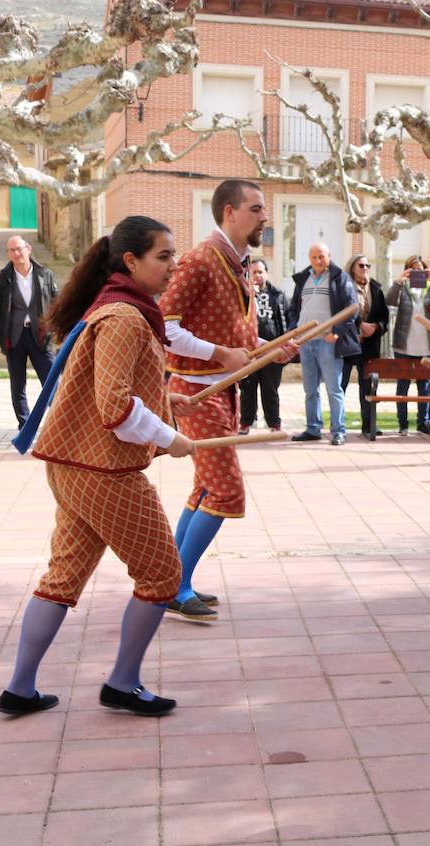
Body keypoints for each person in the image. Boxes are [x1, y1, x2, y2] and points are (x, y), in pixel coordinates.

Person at [0, 216, 195, 717]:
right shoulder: (125, 317)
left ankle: (19, 689)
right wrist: (169, 437)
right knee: (163, 575)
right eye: (164, 256)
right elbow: (116, 407)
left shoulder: (114, 308)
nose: (173, 265)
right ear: (131, 261)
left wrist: (166, 405)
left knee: (63, 577)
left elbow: (109, 390)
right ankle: (122, 684)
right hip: (103, 470)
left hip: (73, 465)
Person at [161, 179, 298, 622]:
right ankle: (174, 586)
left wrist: (270, 348)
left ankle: (172, 579)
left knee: (206, 487)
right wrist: (221, 354)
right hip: (195, 392)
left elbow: (237, 334)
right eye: (256, 209)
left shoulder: (240, 262)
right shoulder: (200, 260)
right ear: (229, 212)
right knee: (225, 491)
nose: (264, 217)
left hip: (222, 390)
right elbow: (165, 327)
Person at [287, 242, 360, 446]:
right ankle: (313, 429)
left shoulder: (340, 277)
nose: (318, 261)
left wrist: (336, 333)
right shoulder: (304, 278)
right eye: (314, 257)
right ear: (309, 259)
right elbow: (294, 309)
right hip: (305, 341)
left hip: (327, 342)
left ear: (329, 255)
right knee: (310, 389)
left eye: (322, 256)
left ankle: (339, 431)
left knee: (333, 389)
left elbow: (352, 309)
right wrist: (294, 331)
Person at [0, 236, 58, 430]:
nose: (16, 253)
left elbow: (56, 303)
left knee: (51, 382)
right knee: (18, 384)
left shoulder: (45, 274)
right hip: (14, 338)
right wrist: (1, 336)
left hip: (40, 337)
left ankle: (58, 422)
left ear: (28, 249)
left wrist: (53, 330)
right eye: (11, 250)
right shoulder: (2, 278)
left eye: (19, 248)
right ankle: (25, 425)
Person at [387, 254, 430, 436]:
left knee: (424, 387)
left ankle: (423, 424)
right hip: (404, 344)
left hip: (426, 344)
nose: (417, 272)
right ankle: (403, 424)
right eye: (413, 269)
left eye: (420, 269)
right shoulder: (403, 287)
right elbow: (389, 300)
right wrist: (398, 282)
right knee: (403, 386)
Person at [339, 255, 390, 440]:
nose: (365, 268)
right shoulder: (344, 287)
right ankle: (337, 426)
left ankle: (369, 426)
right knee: (340, 385)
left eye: (368, 265)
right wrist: (359, 325)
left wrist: (376, 328)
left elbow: (385, 317)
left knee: (367, 386)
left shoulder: (376, 288)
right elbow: (342, 312)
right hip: (347, 343)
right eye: (361, 265)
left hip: (369, 346)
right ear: (353, 268)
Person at [239, 258, 289, 435]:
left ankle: (274, 424)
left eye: (260, 272)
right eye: (254, 272)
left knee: (270, 389)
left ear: (266, 273)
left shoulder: (278, 294)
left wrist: (283, 345)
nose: (257, 276)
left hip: (272, 350)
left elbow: (285, 319)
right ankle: (245, 423)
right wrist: (250, 294)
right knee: (247, 388)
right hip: (250, 350)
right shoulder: (244, 294)